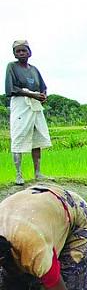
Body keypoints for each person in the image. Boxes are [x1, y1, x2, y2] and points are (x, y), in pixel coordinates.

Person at [5, 40, 51, 186]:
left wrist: (42, 95)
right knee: (19, 137)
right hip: (21, 105)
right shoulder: (11, 67)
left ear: (29, 52)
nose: (21, 53)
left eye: (23, 50)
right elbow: (10, 89)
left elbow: (43, 87)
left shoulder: (34, 69)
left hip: (35, 105)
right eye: (18, 51)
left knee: (37, 137)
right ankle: (19, 174)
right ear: (14, 53)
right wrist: (32, 95)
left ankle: (38, 173)